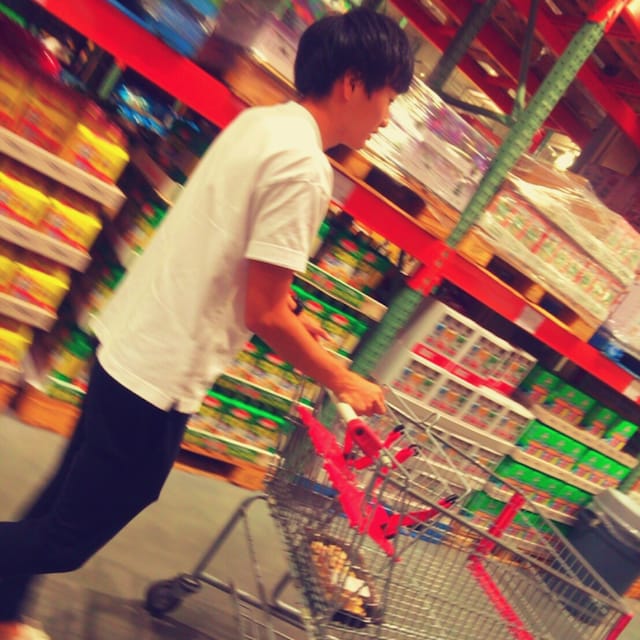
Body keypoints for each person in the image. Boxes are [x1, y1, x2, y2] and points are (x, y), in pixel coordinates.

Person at [0, 7, 414, 639]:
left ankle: (7, 615)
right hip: (159, 375)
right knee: (68, 536)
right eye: (388, 97)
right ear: (353, 83)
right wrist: (343, 378)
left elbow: (239, 259)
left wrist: (296, 317)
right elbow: (262, 312)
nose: (385, 118)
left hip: (130, 338)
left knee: (62, 499)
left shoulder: (263, 124)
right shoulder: (305, 169)